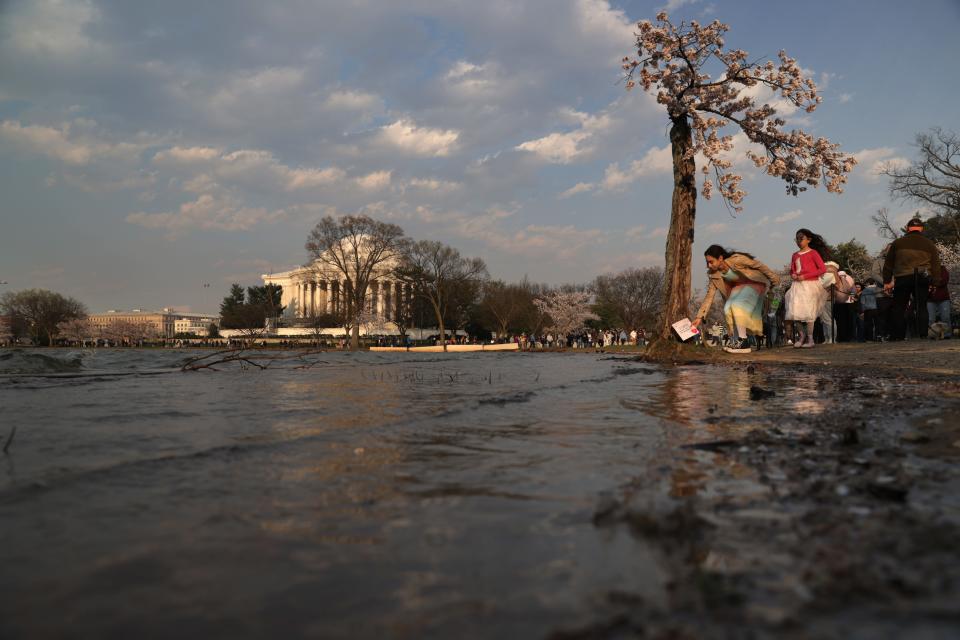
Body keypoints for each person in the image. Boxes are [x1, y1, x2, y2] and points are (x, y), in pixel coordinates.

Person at [692, 245, 780, 353]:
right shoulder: (713, 275)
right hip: (738, 289)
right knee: (728, 308)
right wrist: (699, 317)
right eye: (707, 262)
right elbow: (709, 297)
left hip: (754, 283)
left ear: (720, 258)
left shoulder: (737, 259)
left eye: (711, 262)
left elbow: (759, 265)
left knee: (736, 305)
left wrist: (773, 278)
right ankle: (737, 341)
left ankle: (744, 342)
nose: (708, 265)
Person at [882, 217, 942, 340]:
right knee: (921, 306)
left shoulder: (898, 243)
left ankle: (897, 336)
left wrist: (887, 282)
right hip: (922, 277)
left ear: (907, 228)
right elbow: (936, 265)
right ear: (921, 229)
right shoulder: (929, 244)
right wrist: (935, 282)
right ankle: (923, 334)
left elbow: (888, 264)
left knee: (899, 307)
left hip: (902, 277)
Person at [784, 229, 828, 348]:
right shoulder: (794, 255)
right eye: (796, 239)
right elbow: (792, 270)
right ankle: (801, 336)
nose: (798, 241)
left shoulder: (813, 253)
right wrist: (793, 274)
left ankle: (810, 339)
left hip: (810, 285)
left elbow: (822, 269)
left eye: (801, 238)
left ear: (809, 240)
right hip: (797, 286)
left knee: (809, 313)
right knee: (794, 312)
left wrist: (805, 276)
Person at [927, 265, 951, 338]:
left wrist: (932, 282)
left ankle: (947, 335)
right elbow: (925, 281)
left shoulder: (942, 269)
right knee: (930, 319)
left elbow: (944, 280)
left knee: (945, 317)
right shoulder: (927, 270)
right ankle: (932, 334)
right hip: (930, 299)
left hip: (943, 298)